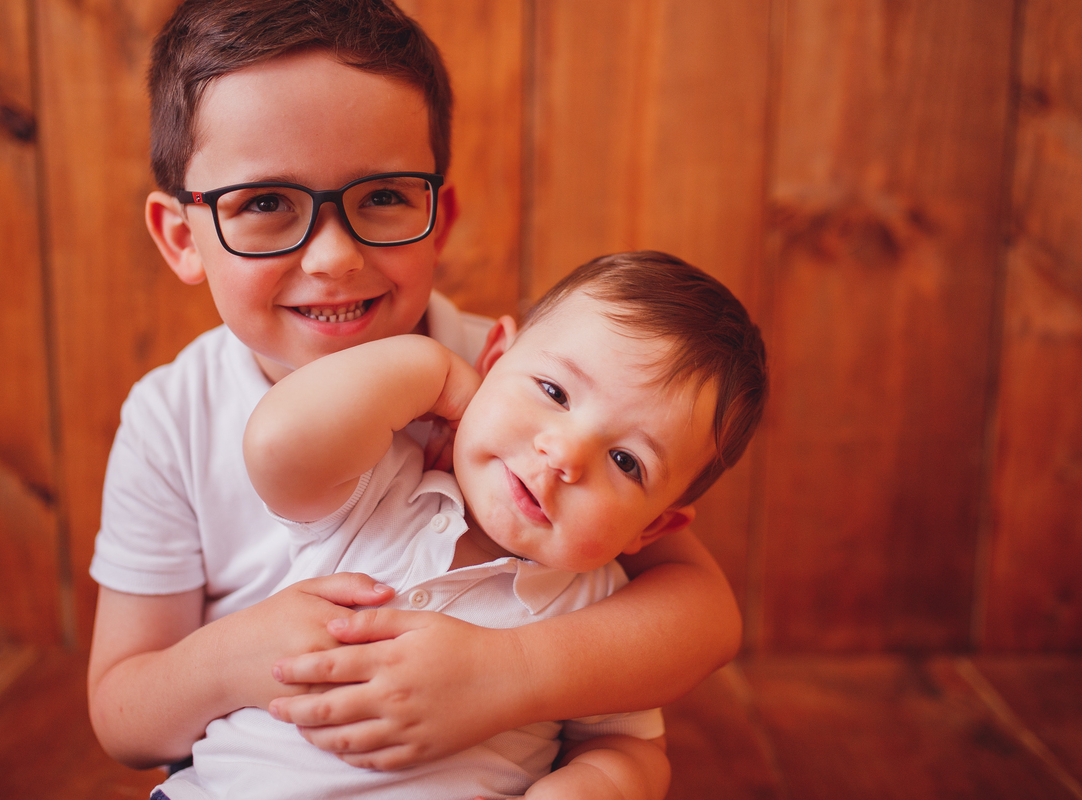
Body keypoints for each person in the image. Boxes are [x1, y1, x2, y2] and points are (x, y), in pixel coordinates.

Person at [87, 0, 745, 777]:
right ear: (182, 238)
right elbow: (124, 717)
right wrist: (241, 657)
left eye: (383, 196)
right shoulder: (172, 420)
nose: (332, 257)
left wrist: (507, 674)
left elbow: (705, 617)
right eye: (264, 203)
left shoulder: (535, 390)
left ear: (439, 218)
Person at [151, 251, 768, 800]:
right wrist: (437, 372)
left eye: (626, 462)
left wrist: (588, 786)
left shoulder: (605, 611)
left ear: (652, 528)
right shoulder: (380, 487)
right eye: (554, 392)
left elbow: (628, 747)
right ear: (493, 359)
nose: (564, 454)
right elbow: (279, 443)